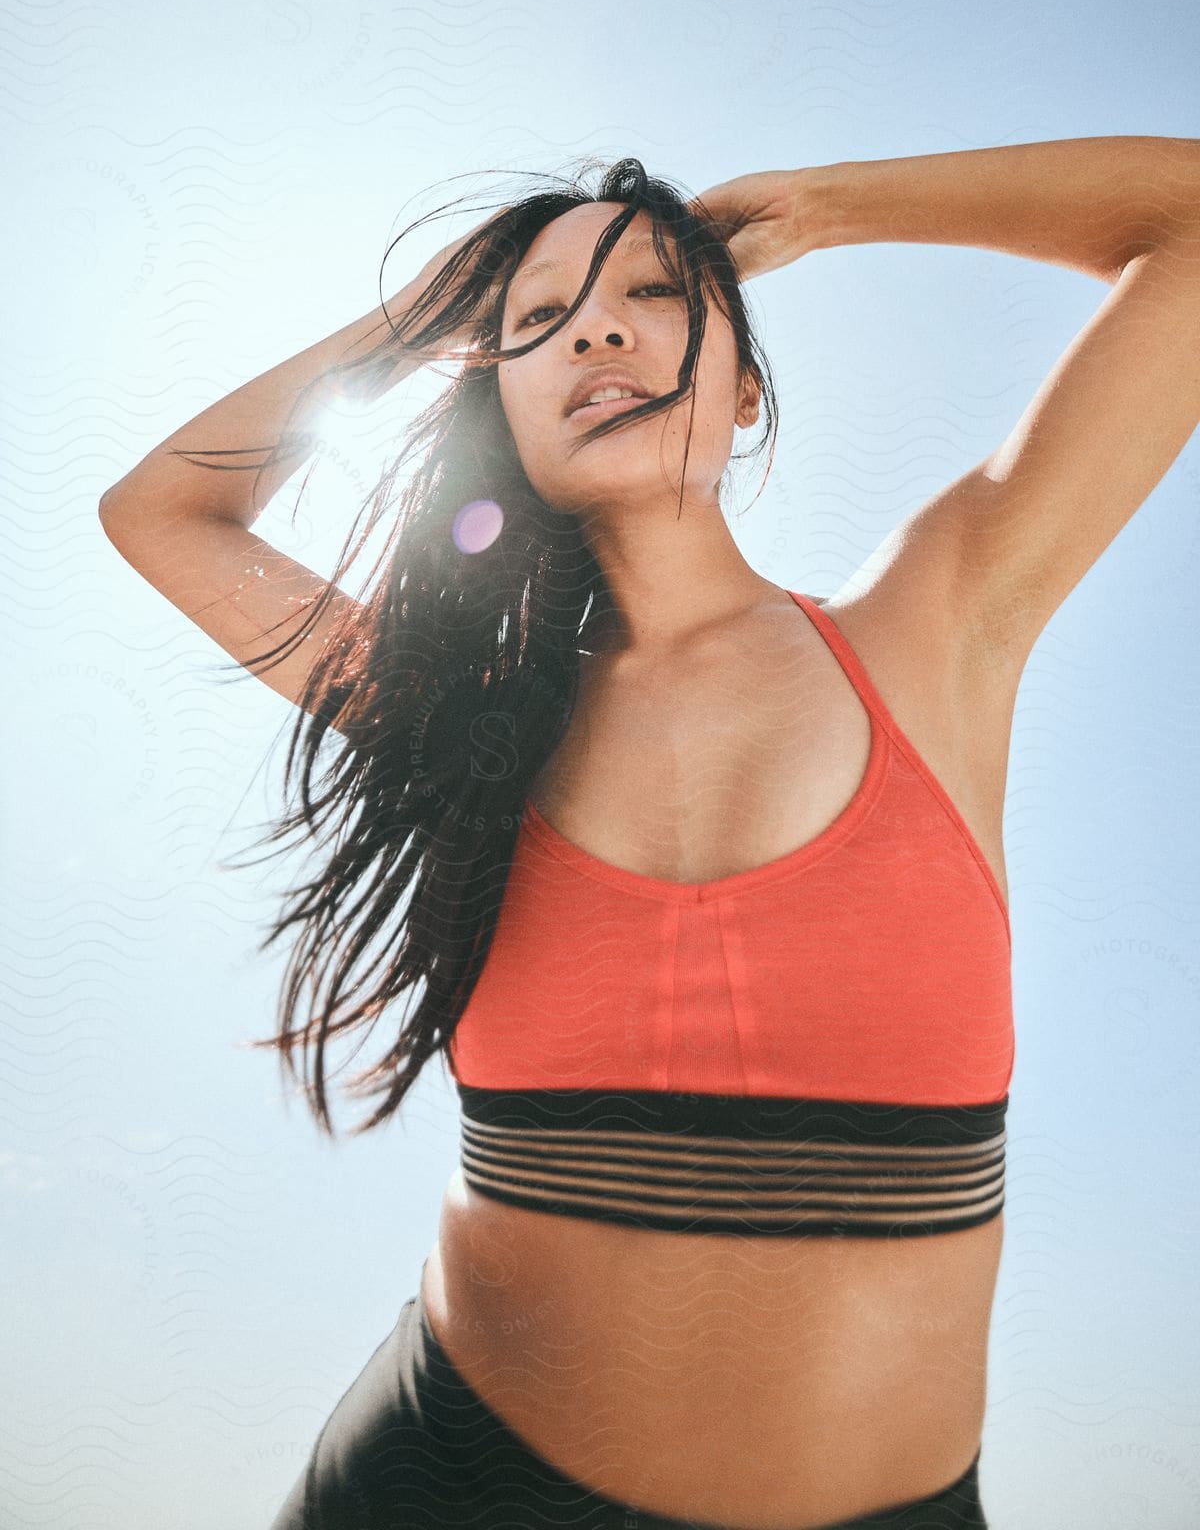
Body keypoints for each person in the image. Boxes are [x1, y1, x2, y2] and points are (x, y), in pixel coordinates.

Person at [98, 139, 1200, 1527]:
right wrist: (426, 315)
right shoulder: (460, 729)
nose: (599, 326)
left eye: (658, 292)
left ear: (745, 390)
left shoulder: (941, 624)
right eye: (540, 320)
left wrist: (827, 210)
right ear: (502, 411)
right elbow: (162, 508)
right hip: (446, 1481)